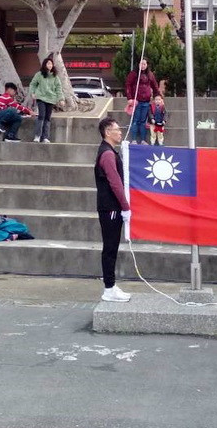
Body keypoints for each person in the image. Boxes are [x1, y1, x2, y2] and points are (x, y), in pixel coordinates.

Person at [94, 117, 130, 302]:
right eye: (117, 129)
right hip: (110, 208)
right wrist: (125, 207)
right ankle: (109, 288)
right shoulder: (107, 154)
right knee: (110, 248)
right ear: (107, 132)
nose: (120, 132)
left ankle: (111, 286)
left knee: (112, 247)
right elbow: (115, 183)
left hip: (111, 207)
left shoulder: (110, 152)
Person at [124, 57, 159, 144]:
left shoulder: (150, 74)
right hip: (136, 101)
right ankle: (134, 139)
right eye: (141, 64)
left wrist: (158, 96)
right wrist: (130, 98)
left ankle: (143, 140)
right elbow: (128, 85)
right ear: (138, 64)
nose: (142, 66)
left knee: (143, 121)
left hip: (146, 102)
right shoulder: (133, 74)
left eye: (144, 64)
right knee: (135, 120)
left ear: (147, 65)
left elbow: (155, 87)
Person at [29, 55, 60, 143]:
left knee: (47, 118)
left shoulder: (55, 76)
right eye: (48, 63)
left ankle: (45, 137)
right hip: (41, 97)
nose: (50, 65)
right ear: (44, 65)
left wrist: (60, 98)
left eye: (51, 64)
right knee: (41, 116)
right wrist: (33, 93)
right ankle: (37, 136)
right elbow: (33, 84)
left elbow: (58, 87)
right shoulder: (39, 74)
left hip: (51, 99)